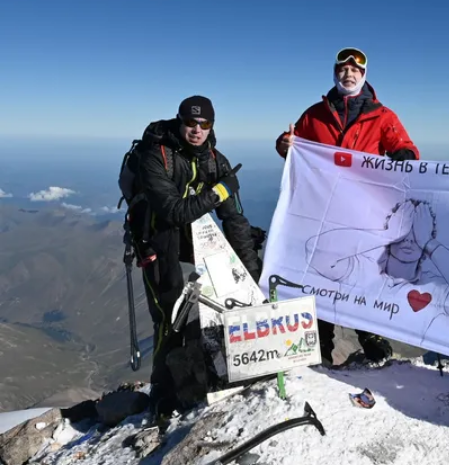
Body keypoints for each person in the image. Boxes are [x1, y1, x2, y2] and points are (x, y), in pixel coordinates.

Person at [274, 47, 420, 366]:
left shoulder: (383, 116)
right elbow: (292, 143)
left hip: (363, 211)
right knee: (321, 271)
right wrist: (283, 144)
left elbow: (405, 147)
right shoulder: (315, 114)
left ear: (364, 76)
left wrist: (404, 158)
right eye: (343, 69)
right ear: (335, 73)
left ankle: (369, 335)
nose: (348, 74)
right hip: (322, 209)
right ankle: (321, 339)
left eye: (355, 70)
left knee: (362, 271)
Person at [123, 95, 265, 416]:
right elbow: (173, 212)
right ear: (180, 121)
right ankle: (162, 390)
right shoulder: (156, 157)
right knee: (169, 315)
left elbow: (235, 220)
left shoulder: (216, 160)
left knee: (221, 296)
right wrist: (219, 191)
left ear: (212, 126)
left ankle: (208, 372)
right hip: (155, 236)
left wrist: (251, 278)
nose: (197, 130)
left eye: (205, 124)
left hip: (190, 234)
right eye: (191, 122)